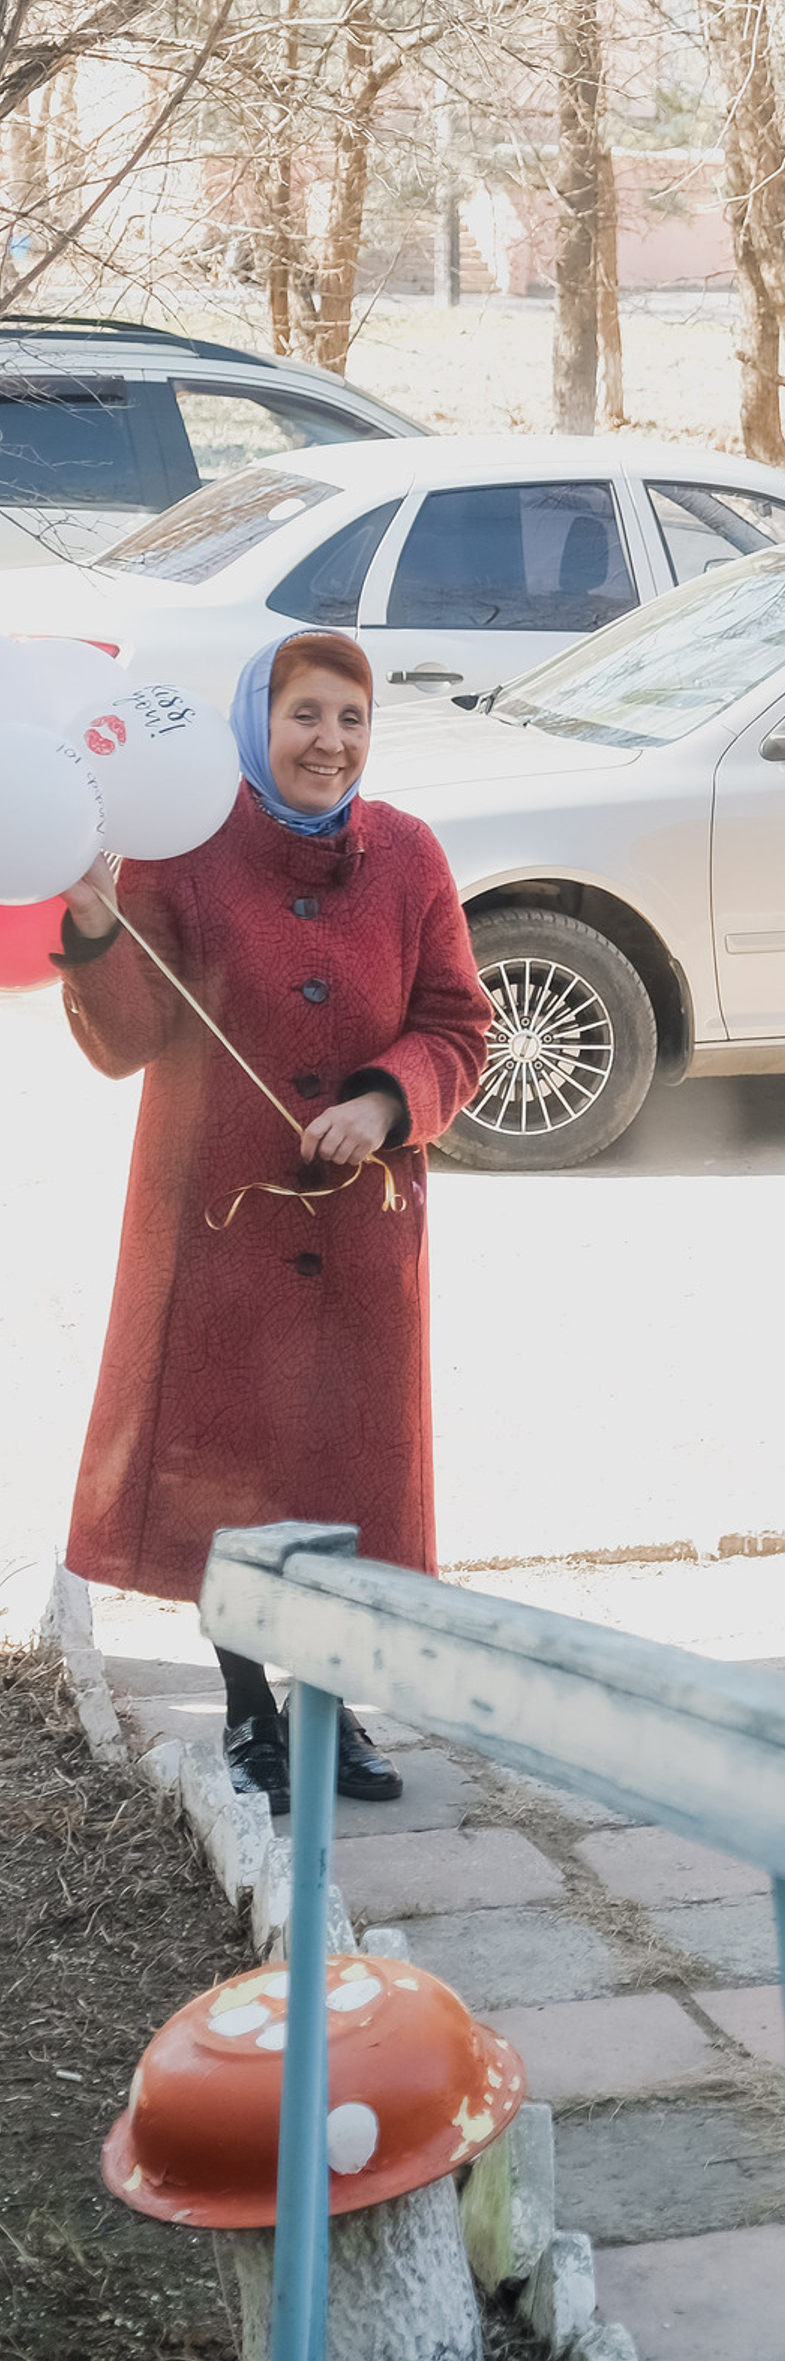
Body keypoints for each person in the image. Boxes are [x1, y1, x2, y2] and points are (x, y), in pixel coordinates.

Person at [53, 630, 491, 1813]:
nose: (330, 742)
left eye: (351, 718)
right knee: (230, 1476)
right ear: (258, 722)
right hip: (217, 1229)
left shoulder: (406, 854)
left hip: (359, 1233)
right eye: (305, 715)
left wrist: (388, 1099)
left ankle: (331, 1708)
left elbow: (462, 1024)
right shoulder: (185, 850)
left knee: (344, 1476)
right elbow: (126, 1040)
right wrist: (93, 929)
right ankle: (251, 1712)